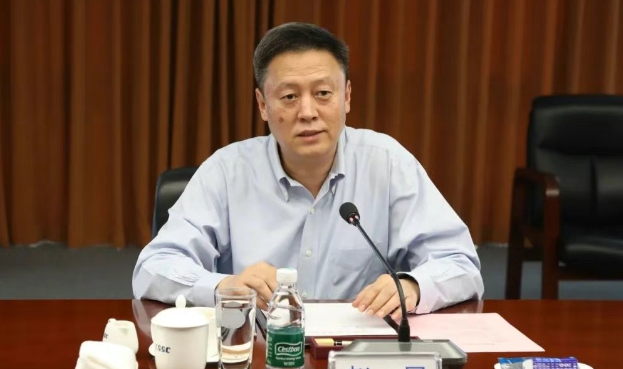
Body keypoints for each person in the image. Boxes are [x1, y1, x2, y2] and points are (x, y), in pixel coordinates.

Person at [133, 22, 483, 320]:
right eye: (289, 97)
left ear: (346, 96)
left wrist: (413, 286)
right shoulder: (226, 172)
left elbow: (460, 263)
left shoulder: (388, 164)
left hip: (356, 353)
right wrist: (223, 286)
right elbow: (154, 267)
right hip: (256, 352)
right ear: (262, 105)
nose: (307, 112)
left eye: (323, 93)